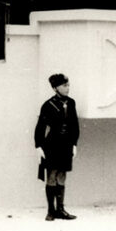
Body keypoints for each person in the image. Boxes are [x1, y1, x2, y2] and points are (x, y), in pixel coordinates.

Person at [35, 73, 80, 221]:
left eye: (68, 85)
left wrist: (74, 144)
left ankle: (61, 209)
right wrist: (38, 146)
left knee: (62, 175)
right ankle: (51, 210)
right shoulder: (48, 105)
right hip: (53, 143)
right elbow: (40, 127)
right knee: (52, 175)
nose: (67, 88)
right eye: (64, 85)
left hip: (66, 144)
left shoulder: (71, 103)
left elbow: (75, 125)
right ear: (55, 88)